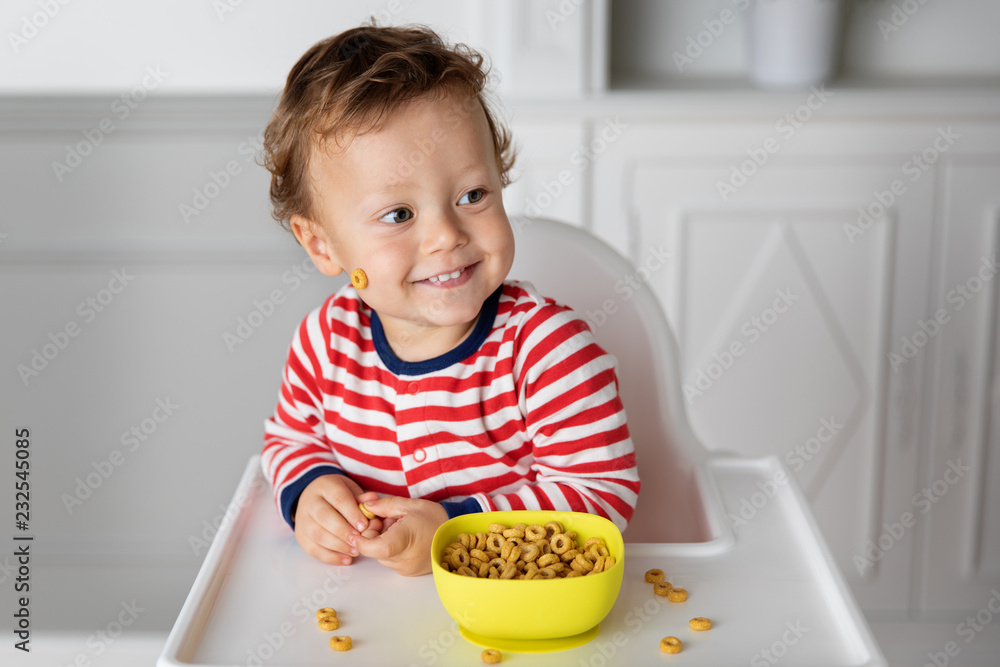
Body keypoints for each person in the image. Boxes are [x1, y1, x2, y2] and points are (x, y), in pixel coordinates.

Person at [259, 23, 639, 576]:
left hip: (517, 622)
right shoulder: (326, 342)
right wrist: (311, 490)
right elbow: (291, 438)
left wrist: (456, 529)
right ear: (322, 245)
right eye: (399, 215)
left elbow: (603, 494)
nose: (446, 236)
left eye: (472, 195)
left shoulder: (546, 351)